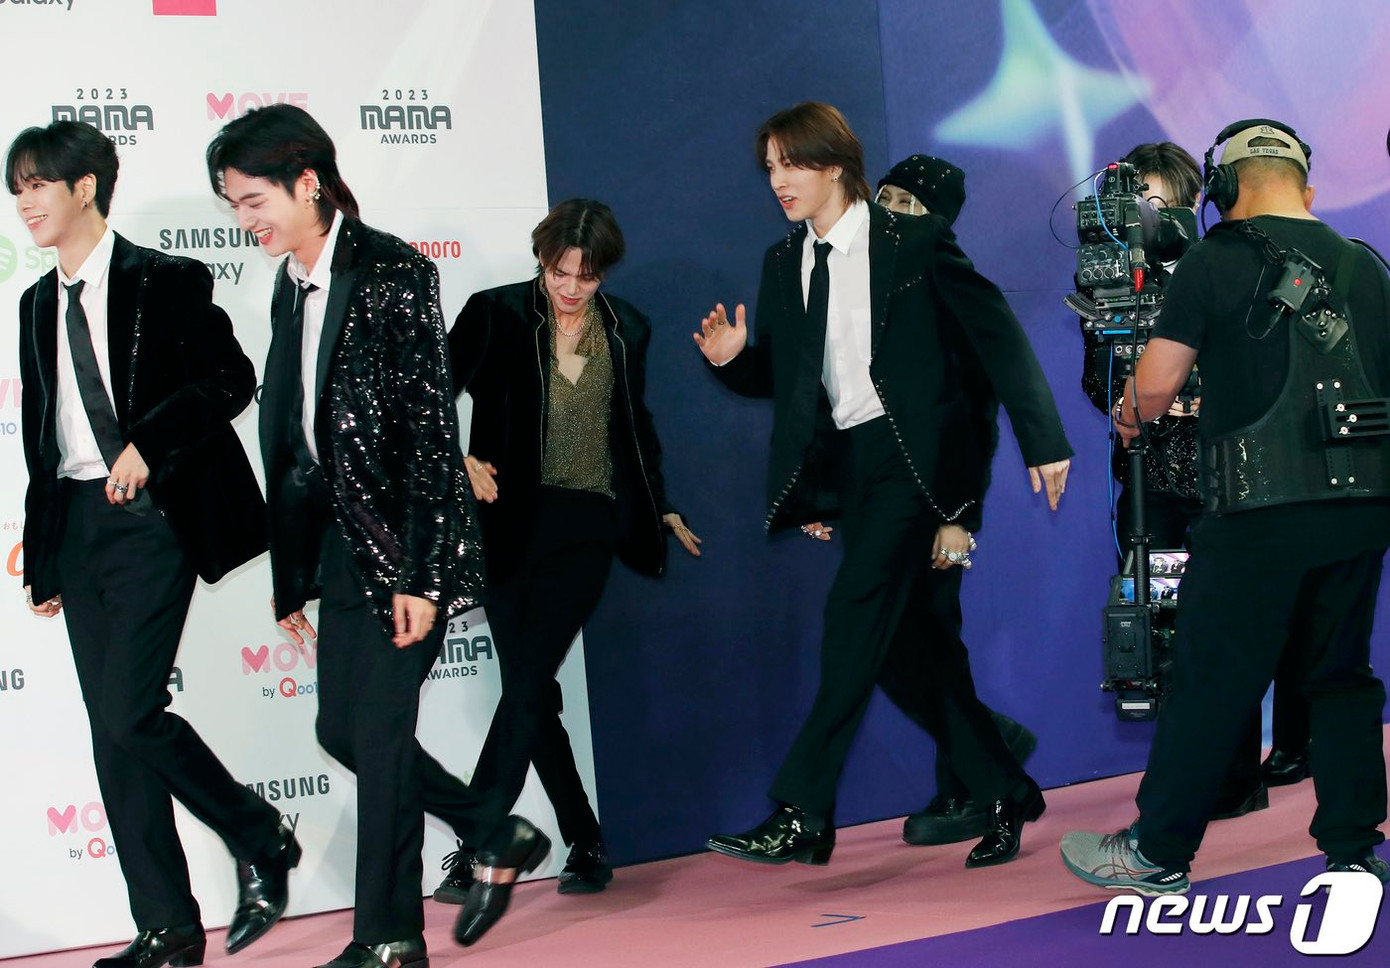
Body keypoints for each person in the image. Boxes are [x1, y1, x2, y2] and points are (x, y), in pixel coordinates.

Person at [696, 102, 1073, 871]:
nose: (778, 181)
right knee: (908, 650)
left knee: (852, 617)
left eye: (791, 164)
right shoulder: (783, 261)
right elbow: (797, 380)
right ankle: (1005, 787)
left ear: (836, 165)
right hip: (855, 468)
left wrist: (1044, 440)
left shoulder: (914, 241)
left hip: (917, 462)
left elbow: (995, 336)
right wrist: (737, 362)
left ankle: (802, 811)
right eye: (770, 168)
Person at [1061, 119, 1390, 894]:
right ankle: (1352, 849)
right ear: (1304, 183)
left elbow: (1153, 388)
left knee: (1209, 679)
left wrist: (1130, 414)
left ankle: (1156, 852)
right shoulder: (1370, 266)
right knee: (1341, 678)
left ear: (1224, 186)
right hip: (1361, 509)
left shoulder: (1213, 259)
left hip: (1256, 513)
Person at [207, 104, 492, 968]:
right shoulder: (290, 284)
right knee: (340, 730)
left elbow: (430, 436)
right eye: (233, 205)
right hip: (338, 547)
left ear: (307, 183)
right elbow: (296, 444)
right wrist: (292, 575)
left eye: (254, 200)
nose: (245, 221)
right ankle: (492, 825)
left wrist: (421, 577)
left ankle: (390, 935)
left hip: (403, 549)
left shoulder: (392, 271)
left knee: (377, 738)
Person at [10, 120, 294, 968]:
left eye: (36, 184)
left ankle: (259, 831)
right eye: (16, 189)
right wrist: (46, 553)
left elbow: (231, 379)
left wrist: (149, 443)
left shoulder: (165, 279)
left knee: (131, 711)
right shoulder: (34, 303)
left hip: (151, 519)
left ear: (85, 187)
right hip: (77, 524)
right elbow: (43, 441)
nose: (23, 202)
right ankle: (167, 926)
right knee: (114, 733)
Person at [442, 198, 701, 944]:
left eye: (586, 277)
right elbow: (430, 399)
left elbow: (635, 425)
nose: (570, 288)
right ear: (541, 259)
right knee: (531, 690)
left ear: (604, 274)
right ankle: (585, 841)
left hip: (588, 524)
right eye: (560, 272)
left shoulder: (627, 328)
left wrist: (661, 504)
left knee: (528, 682)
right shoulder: (494, 313)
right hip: (505, 525)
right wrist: (458, 460)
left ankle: (481, 839)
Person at [1083, 143, 1310, 808]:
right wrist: (1141, 395)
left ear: (1191, 202)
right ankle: (1189, 774)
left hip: (1226, 481)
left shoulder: (1222, 268)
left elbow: (1257, 372)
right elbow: (1100, 381)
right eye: (1138, 204)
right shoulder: (1112, 282)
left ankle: (1238, 776)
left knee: (1225, 629)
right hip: (1149, 483)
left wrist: (1176, 397)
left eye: (1161, 202)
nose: (1149, 217)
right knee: (1160, 632)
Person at [863, 154, 1040, 848]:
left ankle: (977, 781)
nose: (889, 212)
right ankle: (987, 752)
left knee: (926, 643)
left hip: (940, 509)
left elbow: (977, 418)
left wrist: (958, 517)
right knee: (911, 647)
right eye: (884, 197)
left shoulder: (949, 285)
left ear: (936, 221)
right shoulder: (865, 286)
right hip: (883, 502)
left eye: (907, 203)